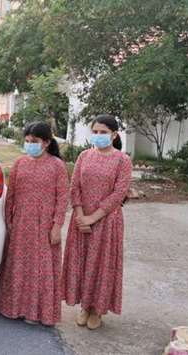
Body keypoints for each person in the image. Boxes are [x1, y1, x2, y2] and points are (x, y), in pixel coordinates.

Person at [0, 122, 68, 327]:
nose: (29, 145)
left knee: (40, 268)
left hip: (45, 225)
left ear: (46, 142)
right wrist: (8, 221)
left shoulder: (57, 166)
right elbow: (12, 194)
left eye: (34, 142)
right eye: (26, 141)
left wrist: (56, 226)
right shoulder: (19, 163)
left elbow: (62, 198)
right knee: (19, 265)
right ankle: (15, 307)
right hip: (21, 223)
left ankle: (37, 312)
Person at [62, 114, 132, 330]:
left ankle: (97, 309)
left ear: (114, 135)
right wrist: (81, 215)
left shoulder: (123, 160)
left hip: (106, 221)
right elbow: (74, 187)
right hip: (81, 219)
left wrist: (93, 218)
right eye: (96, 132)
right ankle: (84, 306)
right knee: (82, 263)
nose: (99, 136)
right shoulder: (84, 156)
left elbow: (119, 193)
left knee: (101, 265)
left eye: (103, 132)